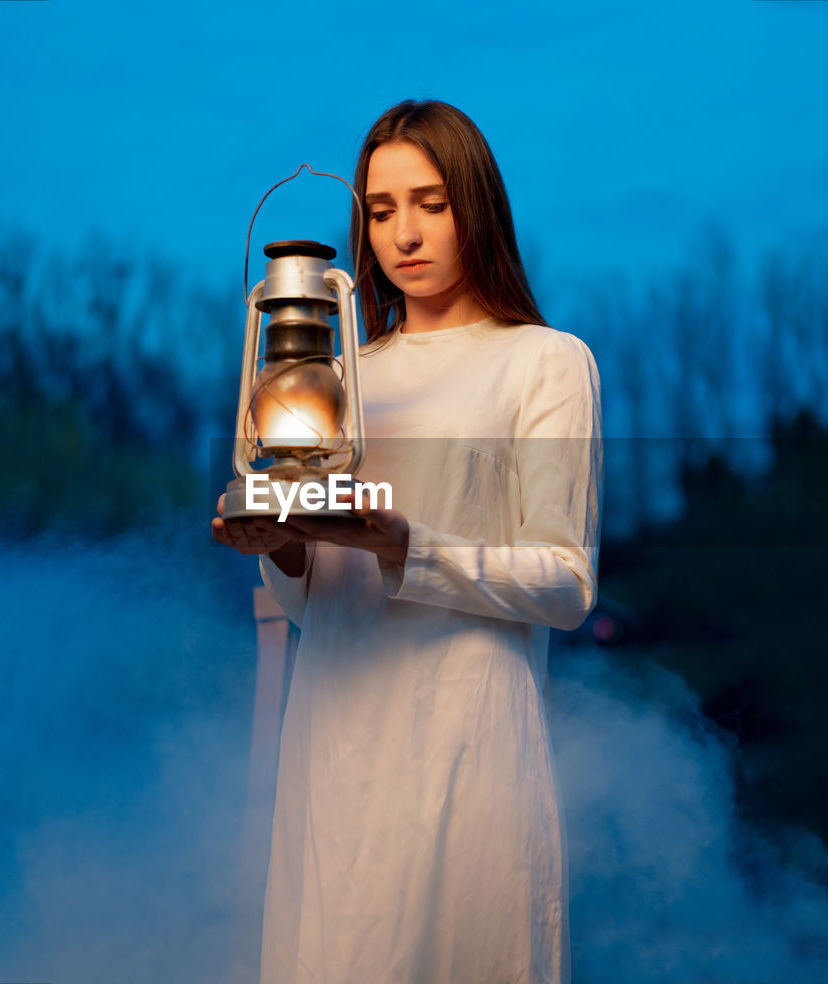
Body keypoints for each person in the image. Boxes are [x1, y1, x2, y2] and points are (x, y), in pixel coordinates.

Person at [211, 99, 602, 984]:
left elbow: (567, 582)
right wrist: (281, 549)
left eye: (431, 202)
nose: (405, 234)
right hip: (336, 732)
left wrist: (405, 543)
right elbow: (318, 605)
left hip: (464, 732)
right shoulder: (337, 374)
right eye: (382, 212)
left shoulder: (543, 362)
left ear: (478, 207)